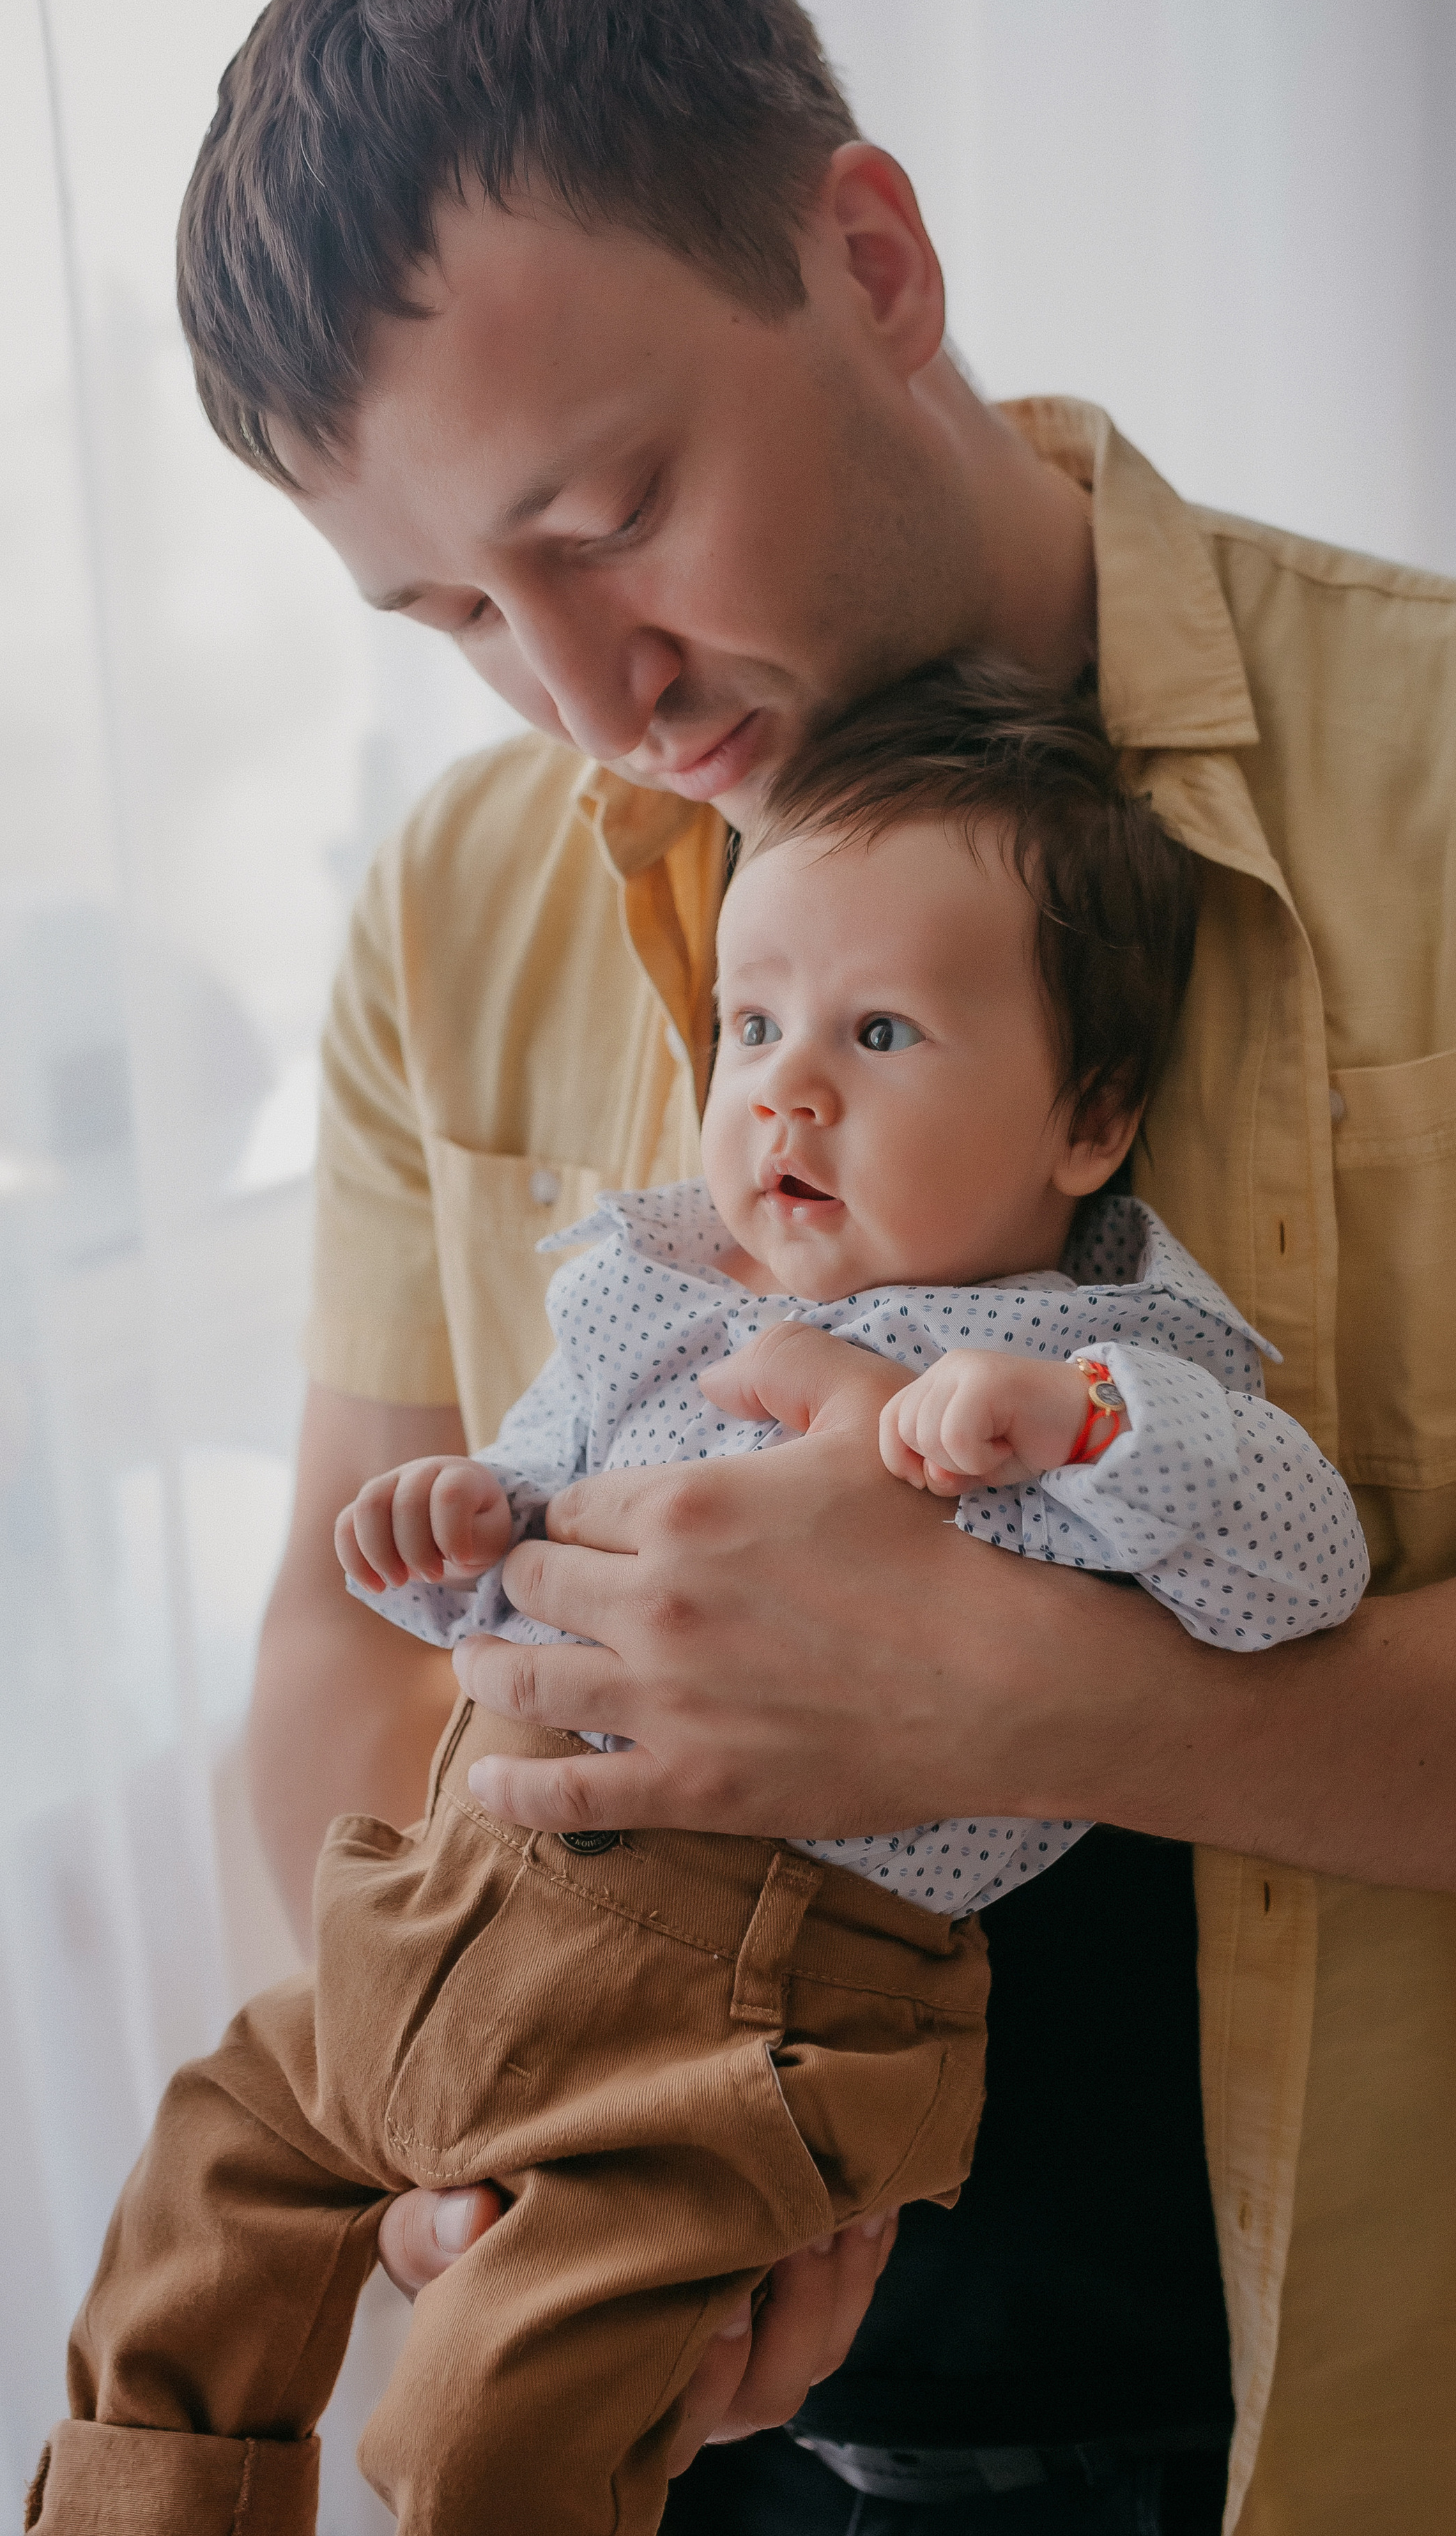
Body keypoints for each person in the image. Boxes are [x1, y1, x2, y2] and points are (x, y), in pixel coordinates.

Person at [108, 0, 1456, 2536]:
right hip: (672, 2431)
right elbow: (338, 1611)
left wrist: (1028, 1702)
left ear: (869, 258)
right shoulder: (457, 904)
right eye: (448, 612)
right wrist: (462, 2145)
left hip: (1345, 2432)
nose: (585, 703)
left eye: (611, 512)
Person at [32, 680, 1369, 2536]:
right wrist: (457, 1528)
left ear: (1092, 1114)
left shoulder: (1097, 1356)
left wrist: (1078, 1428)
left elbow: (1302, 1568)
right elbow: (505, 1576)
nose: (786, 1087)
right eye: (752, 1024)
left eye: (880, 1030)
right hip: (448, 1909)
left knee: (511, 2406)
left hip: (743, 2006)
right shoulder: (650, 1296)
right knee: (208, 2176)